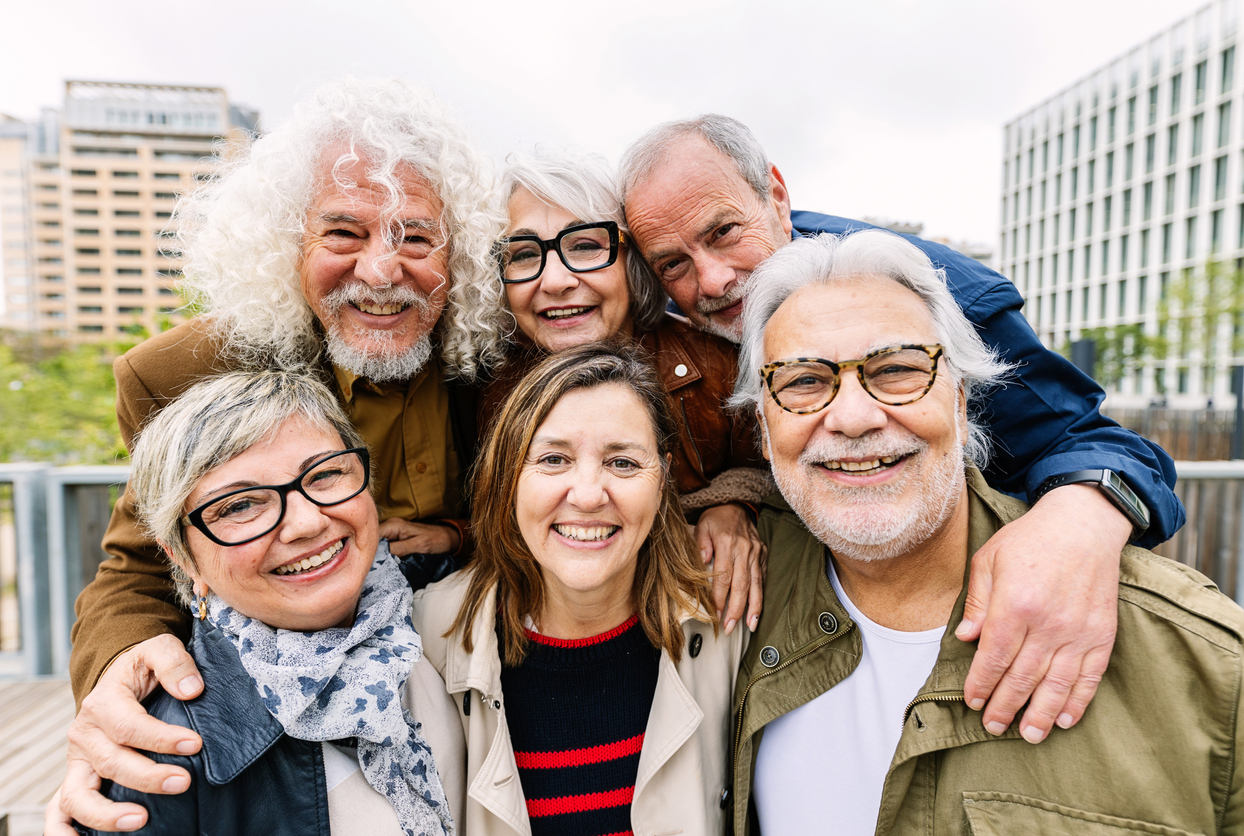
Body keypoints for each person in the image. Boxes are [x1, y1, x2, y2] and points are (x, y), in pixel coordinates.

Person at [618, 113, 1187, 739]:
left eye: (724, 232)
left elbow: (1094, 443)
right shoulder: (671, 326)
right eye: (672, 264)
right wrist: (733, 498)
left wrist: (1075, 524)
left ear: (776, 196)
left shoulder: (939, 302)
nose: (714, 279)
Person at [54, 78, 500, 834]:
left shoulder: (499, 355)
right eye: (343, 234)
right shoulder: (186, 374)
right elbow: (143, 559)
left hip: (468, 686)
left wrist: (459, 536)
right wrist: (119, 685)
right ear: (284, 243)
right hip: (286, 729)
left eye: (416, 236)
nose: (382, 270)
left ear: (459, 254)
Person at [728, 230, 1244, 836]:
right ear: (762, 431)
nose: (851, 417)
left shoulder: (1198, 661)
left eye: (897, 370)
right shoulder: (715, 616)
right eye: (802, 382)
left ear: (961, 399)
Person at [79, 370, 464, 836]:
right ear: (183, 558)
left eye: (324, 474)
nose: (305, 523)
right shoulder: (158, 750)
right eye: (240, 505)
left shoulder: (449, 611)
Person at [414, 342, 746, 836]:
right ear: (509, 477)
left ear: (663, 480)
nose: (588, 495)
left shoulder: (729, 624)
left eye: (624, 463)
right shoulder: (430, 637)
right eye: (553, 459)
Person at [480, 147, 768, 632]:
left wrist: (738, 501)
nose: (554, 280)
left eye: (586, 246)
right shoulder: (489, 387)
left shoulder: (720, 362)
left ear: (632, 261)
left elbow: (780, 468)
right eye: (524, 254)